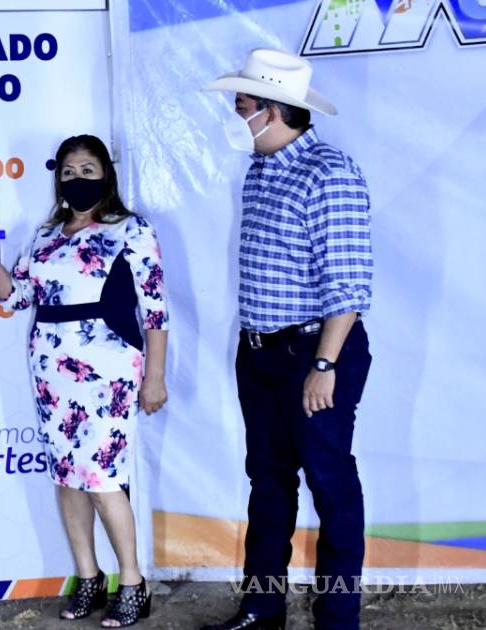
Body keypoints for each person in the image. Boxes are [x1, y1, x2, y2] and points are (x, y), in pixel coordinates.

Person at [199, 48, 374, 630]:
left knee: (330, 483)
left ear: (271, 111)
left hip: (315, 354)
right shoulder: (261, 169)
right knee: (268, 482)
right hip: (261, 354)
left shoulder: (329, 173)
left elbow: (347, 283)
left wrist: (324, 365)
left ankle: (337, 618)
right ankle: (263, 606)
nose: (235, 115)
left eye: (241, 105)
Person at [0, 134, 169, 628]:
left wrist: (155, 377)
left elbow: (155, 310)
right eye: (68, 172)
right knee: (67, 478)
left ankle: (133, 583)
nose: (77, 179)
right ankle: (88, 577)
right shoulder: (45, 234)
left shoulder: (131, 229)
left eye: (87, 170)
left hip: (109, 368)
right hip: (51, 370)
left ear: (106, 175)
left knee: (102, 478)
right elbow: (15, 298)